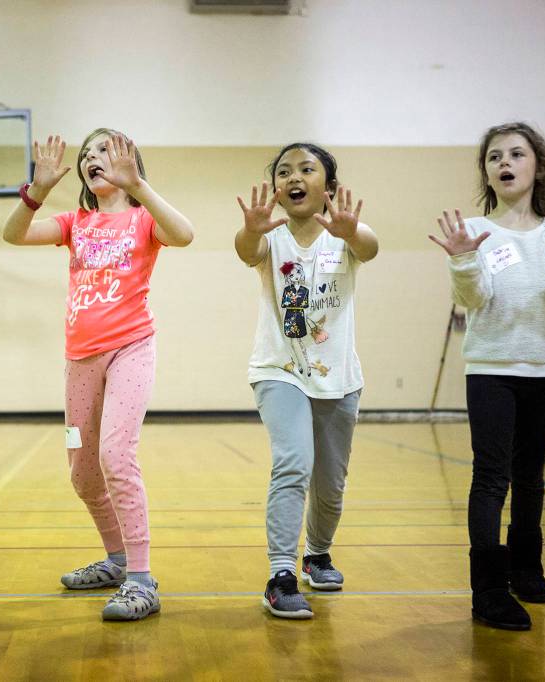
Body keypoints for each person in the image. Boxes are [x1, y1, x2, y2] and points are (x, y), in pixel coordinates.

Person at [2, 130, 193, 621]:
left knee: (116, 454)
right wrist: (37, 191)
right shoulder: (75, 223)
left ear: (130, 162)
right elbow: (14, 233)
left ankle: (142, 579)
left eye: (102, 151)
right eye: (86, 154)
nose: (91, 158)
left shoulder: (143, 219)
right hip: (79, 360)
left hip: (131, 349)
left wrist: (142, 187)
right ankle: (116, 559)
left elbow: (185, 233)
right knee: (82, 473)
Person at [428, 122, 545, 630]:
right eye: (494, 157)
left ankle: (527, 567)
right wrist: (463, 259)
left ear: (538, 167)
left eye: (516, 154)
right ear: (487, 171)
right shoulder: (477, 231)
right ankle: (487, 588)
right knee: (491, 477)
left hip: (543, 367)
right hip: (491, 370)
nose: (504, 163)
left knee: (532, 479)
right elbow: (472, 299)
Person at [235, 143, 378, 619]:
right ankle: (280, 573)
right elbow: (246, 250)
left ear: (328, 187)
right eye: (284, 172)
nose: (294, 177)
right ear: (277, 188)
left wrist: (352, 230)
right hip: (280, 370)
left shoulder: (345, 233)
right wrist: (250, 229)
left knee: (331, 484)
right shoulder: (271, 237)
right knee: (294, 463)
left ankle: (317, 554)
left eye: (306, 169)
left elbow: (370, 248)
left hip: (339, 378)